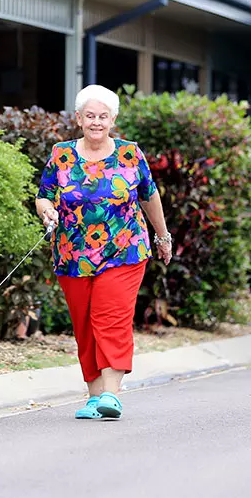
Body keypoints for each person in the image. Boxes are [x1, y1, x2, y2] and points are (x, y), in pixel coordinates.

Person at [35, 84, 172, 420]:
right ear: (79, 118)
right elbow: (44, 195)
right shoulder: (61, 154)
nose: (96, 122)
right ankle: (95, 398)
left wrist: (162, 236)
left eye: (103, 116)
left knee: (110, 318)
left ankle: (111, 393)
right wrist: (47, 211)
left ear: (113, 120)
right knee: (84, 325)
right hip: (73, 254)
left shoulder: (129, 154)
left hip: (124, 250)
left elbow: (148, 195)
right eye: (90, 116)